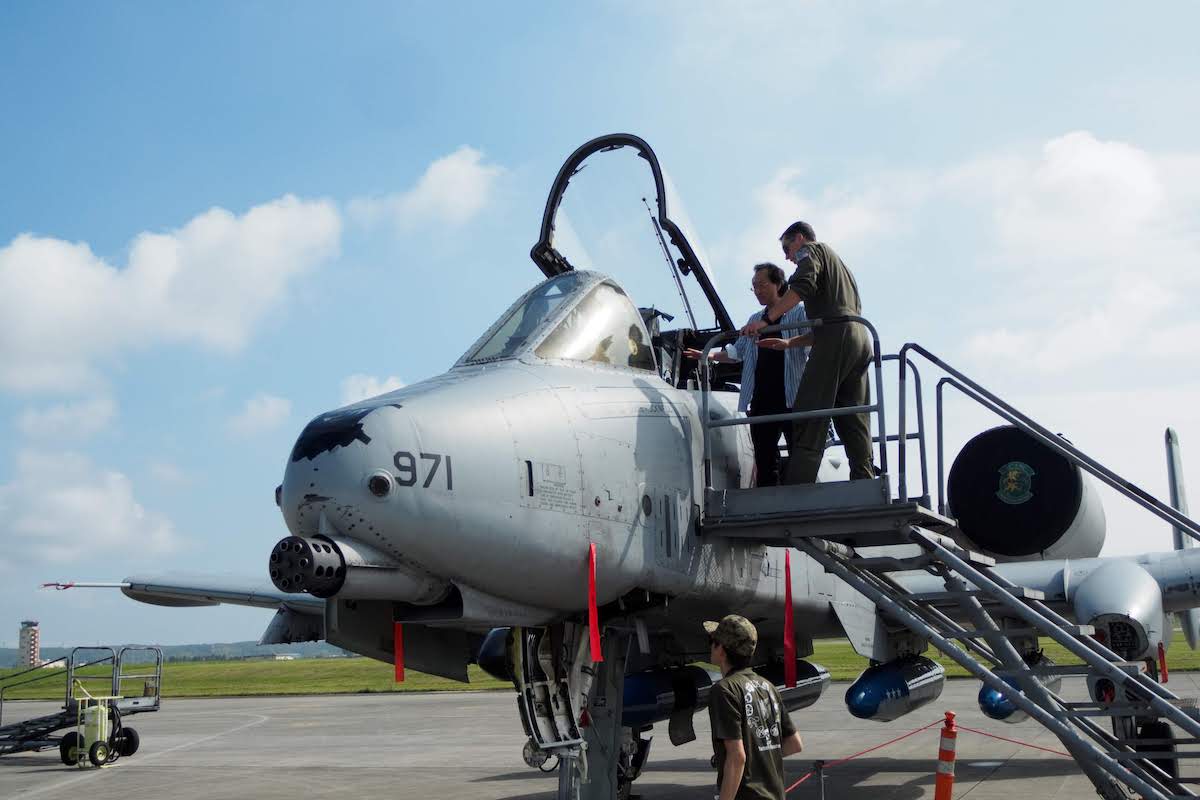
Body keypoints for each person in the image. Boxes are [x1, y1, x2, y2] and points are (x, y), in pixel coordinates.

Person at [742, 221, 874, 484]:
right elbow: (831, 320)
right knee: (852, 414)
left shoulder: (810, 251)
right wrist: (791, 344)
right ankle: (865, 478)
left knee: (807, 411)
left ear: (800, 239)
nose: (787, 256)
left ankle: (798, 486)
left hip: (836, 338)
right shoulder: (841, 267)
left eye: (787, 247)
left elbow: (802, 285)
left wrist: (768, 321)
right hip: (858, 337)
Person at [685, 263, 810, 486]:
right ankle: (769, 503)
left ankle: (800, 497)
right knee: (763, 456)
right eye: (754, 287)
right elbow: (736, 352)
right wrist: (708, 356)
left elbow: (813, 341)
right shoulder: (755, 319)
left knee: (799, 454)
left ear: (778, 284)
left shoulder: (798, 313)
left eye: (762, 284)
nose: (758, 291)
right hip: (762, 397)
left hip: (793, 395)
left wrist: (790, 343)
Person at [704, 614, 803, 800]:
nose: (710, 646)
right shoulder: (768, 686)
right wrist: (760, 758)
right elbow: (794, 744)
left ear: (722, 650)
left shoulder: (724, 690)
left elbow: (737, 757)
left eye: (713, 641)